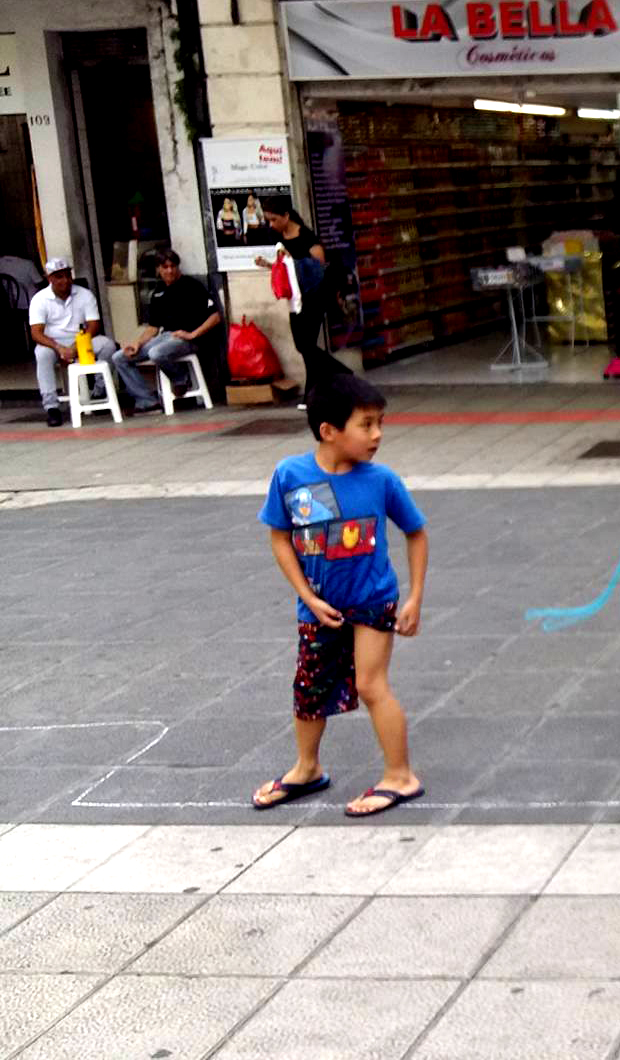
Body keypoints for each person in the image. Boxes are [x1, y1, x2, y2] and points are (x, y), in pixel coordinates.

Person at [251, 374, 429, 817]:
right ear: (329, 430)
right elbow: (280, 537)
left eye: (380, 423)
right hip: (319, 606)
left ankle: (400, 776)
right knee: (309, 688)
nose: (377, 434)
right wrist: (307, 597)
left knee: (371, 685)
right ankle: (307, 768)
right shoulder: (290, 475)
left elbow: (416, 532)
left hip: (372, 599)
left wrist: (414, 597)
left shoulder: (381, 480)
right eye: (366, 425)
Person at [254, 205, 350, 398]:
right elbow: (287, 269)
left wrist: (293, 260)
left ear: (286, 215)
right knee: (304, 347)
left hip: (315, 296)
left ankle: (319, 387)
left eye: (274, 219)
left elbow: (318, 268)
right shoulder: (280, 238)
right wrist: (269, 265)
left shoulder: (307, 237)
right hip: (295, 298)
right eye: (268, 220)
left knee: (307, 346)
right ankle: (332, 379)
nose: (271, 224)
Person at [109, 250, 221, 413]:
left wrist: (192, 334)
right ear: (158, 269)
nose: (169, 271)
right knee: (119, 358)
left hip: (189, 339)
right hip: (165, 337)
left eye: (173, 266)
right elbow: (153, 327)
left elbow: (215, 317)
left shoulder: (191, 285)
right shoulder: (158, 292)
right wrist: (137, 343)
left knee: (156, 353)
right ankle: (147, 400)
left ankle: (181, 379)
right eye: (165, 267)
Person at [28, 257, 108, 428]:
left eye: (67, 275)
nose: (65, 280)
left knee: (107, 345)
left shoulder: (84, 294)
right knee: (42, 354)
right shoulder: (39, 299)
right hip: (53, 343)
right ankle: (51, 407)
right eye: (59, 277)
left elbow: (94, 325)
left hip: (81, 339)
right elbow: (36, 333)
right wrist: (59, 348)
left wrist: (75, 346)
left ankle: (99, 392)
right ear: (49, 278)